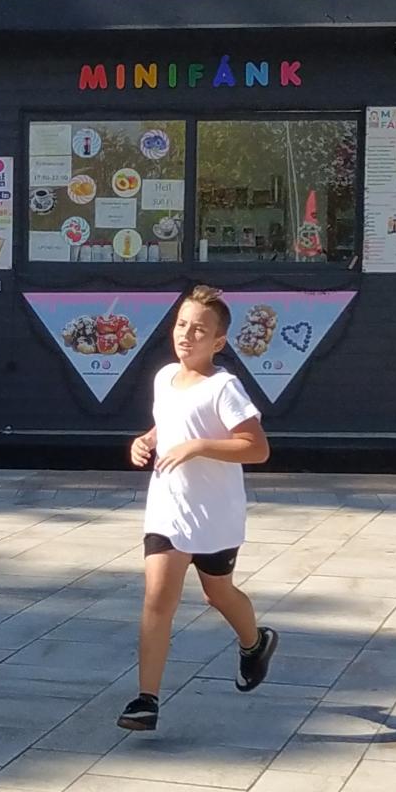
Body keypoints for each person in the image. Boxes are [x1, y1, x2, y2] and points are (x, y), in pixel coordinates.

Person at [122, 285, 279, 732]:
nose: (186, 335)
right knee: (157, 598)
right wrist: (146, 440)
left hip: (215, 515)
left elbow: (257, 448)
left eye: (199, 330)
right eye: (181, 325)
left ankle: (255, 642)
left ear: (219, 342)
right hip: (168, 509)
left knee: (217, 594)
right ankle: (146, 700)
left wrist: (199, 446)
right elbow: (169, 421)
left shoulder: (224, 387)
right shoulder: (164, 377)